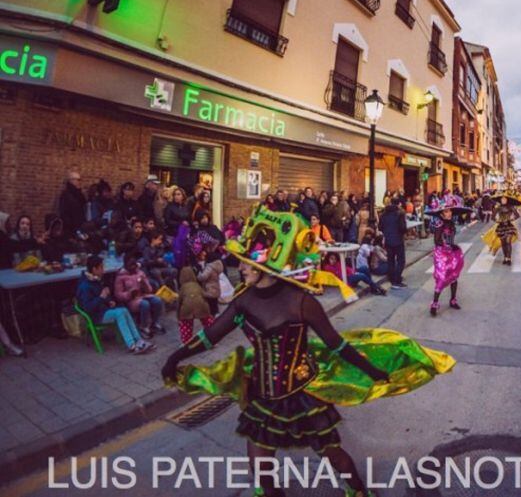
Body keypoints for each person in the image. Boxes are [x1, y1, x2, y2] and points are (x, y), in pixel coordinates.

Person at [160, 207, 454, 497]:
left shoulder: (301, 302)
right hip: (262, 397)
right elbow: (212, 335)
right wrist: (176, 357)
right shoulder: (244, 301)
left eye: (248, 264)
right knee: (261, 473)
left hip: (301, 393)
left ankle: (358, 491)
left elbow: (336, 345)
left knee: (333, 456)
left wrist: (373, 371)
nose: (242, 269)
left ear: (267, 267)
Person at [75, 255, 155, 354]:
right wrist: (102, 298)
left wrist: (108, 301)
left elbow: (101, 297)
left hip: (103, 310)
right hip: (96, 316)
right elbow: (88, 307)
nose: (103, 270)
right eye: (101, 267)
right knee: (120, 313)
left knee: (124, 310)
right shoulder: (85, 286)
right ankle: (132, 345)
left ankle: (139, 340)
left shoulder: (95, 280)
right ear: (94, 269)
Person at [427, 195, 470, 316]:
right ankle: (434, 304)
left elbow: (450, 237)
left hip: (451, 252)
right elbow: (437, 240)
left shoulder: (451, 223)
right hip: (441, 253)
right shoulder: (440, 224)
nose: (449, 212)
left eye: (450, 210)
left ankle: (453, 300)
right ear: (441, 214)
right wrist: (448, 245)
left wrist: (452, 245)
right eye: (446, 211)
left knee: (454, 277)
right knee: (441, 278)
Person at [114, 253, 165, 339]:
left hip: (143, 295)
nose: (133, 267)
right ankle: (143, 327)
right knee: (145, 304)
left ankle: (155, 323)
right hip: (131, 300)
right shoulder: (120, 277)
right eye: (130, 265)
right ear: (125, 265)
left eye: (134, 264)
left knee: (157, 301)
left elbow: (149, 290)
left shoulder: (140, 273)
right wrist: (129, 293)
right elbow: (118, 294)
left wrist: (144, 284)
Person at [176, 265, 214, 344]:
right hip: (201, 306)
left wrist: (178, 315)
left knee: (186, 324)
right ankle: (212, 338)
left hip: (187, 308)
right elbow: (204, 295)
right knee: (207, 321)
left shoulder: (182, 288)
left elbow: (179, 302)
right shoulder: (197, 285)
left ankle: (186, 342)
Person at [191, 234, 224, 315]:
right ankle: (216, 313)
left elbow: (202, 277)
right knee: (215, 305)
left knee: (211, 306)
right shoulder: (218, 265)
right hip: (216, 289)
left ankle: (213, 317)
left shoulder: (210, 267)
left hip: (210, 290)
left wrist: (197, 273)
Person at [378, 198, 407, 289]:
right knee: (401, 261)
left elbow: (380, 227)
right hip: (398, 240)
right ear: (398, 204)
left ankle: (392, 278)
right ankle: (396, 280)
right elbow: (403, 228)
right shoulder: (399, 214)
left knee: (391, 261)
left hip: (388, 240)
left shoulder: (383, 215)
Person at [486, 193, 521, 266]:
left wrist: (512, 219)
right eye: (502, 199)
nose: (503, 200)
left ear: (507, 200)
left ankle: (509, 259)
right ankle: (505, 258)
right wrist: (497, 220)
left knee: (508, 242)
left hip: (509, 226)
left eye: (505, 199)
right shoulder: (498, 207)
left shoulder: (511, 207)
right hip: (501, 226)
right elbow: (492, 217)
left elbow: (517, 215)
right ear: (500, 200)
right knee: (503, 243)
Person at [57, 170, 87, 239]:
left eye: (80, 180)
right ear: (71, 180)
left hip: (80, 226)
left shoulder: (79, 194)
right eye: (78, 180)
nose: (79, 182)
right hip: (71, 229)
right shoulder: (66, 195)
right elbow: (64, 213)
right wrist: (71, 226)